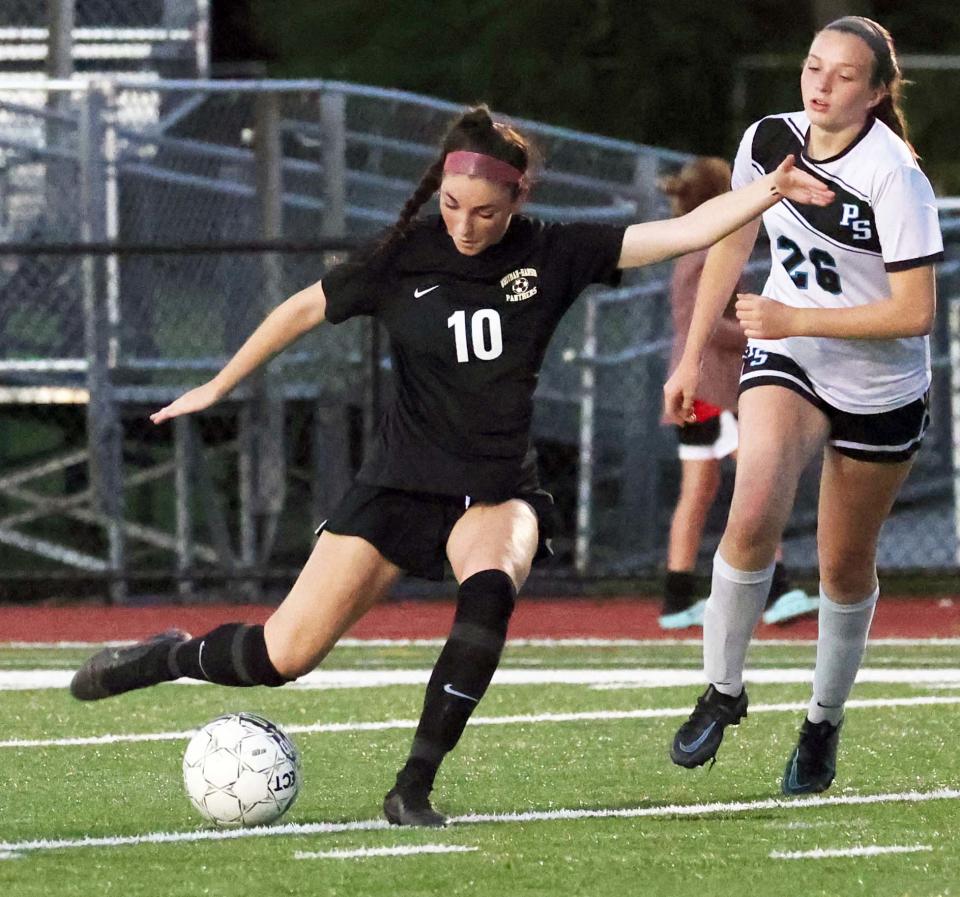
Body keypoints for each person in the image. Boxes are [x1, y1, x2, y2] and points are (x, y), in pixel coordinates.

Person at [69, 105, 833, 826]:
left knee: (492, 587)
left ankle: (412, 786)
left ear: (517, 195)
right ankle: (165, 655)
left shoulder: (552, 249)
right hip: (399, 483)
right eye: (453, 205)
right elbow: (298, 310)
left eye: (486, 211)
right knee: (282, 654)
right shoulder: (402, 256)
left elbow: (684, 231)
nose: (466, 225)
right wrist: (217, 383)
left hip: (496, 488)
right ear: (438, 188)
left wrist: (769, 187)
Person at [663, 17, 942, 794]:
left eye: (844, 75)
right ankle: (722, 686)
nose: (820, 85)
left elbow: (914, 311)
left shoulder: (895, 175)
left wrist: (796, 318)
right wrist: (691, 358)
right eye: (813, 67)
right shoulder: (766, 140)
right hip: (790, 361)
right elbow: (730, 238)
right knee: (750, 510)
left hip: (878, 384)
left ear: (878, 92)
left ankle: (822, 722)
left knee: (843, 567)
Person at [658, 158, 819, 630]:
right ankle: (778, 589)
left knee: (700, 492)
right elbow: (699, 325)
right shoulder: (708, 251)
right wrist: (760, 331)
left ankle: (676, 596)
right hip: (714, 389)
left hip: (701, 389)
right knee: (758, 483)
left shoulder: (696, 247)